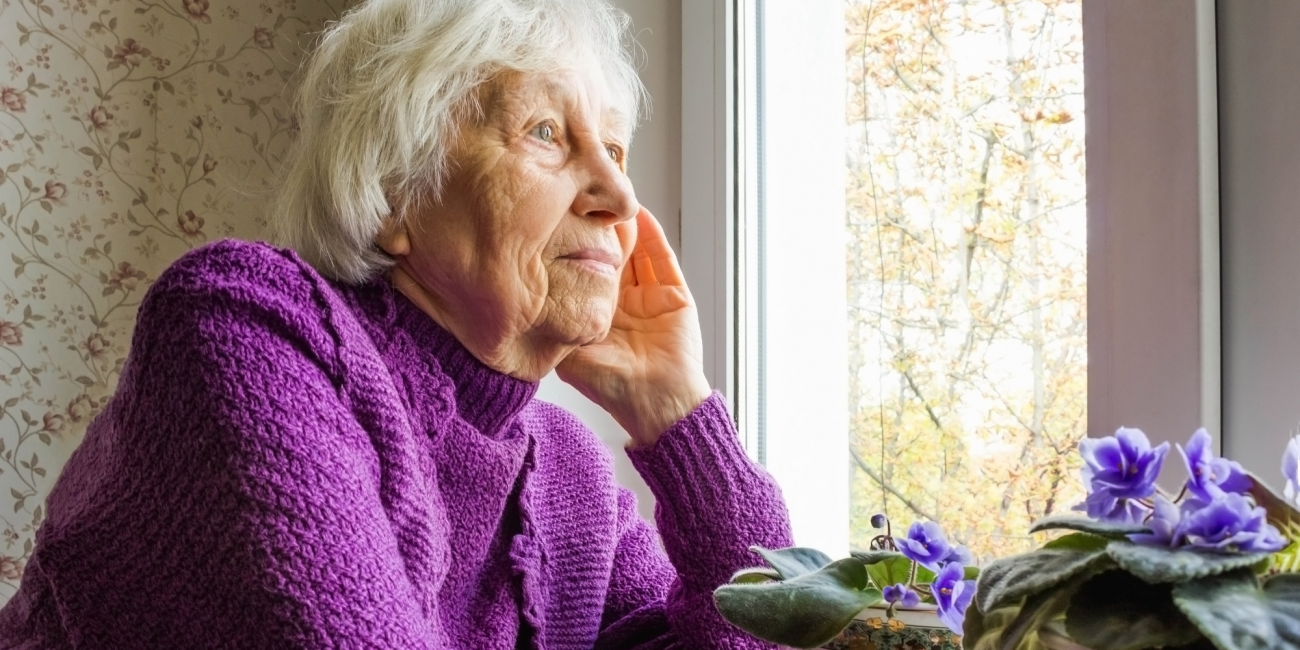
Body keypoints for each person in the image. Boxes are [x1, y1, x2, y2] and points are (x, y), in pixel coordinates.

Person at [0, 0, 793, 647]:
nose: (621, 196)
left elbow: (765, 636)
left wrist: (680, 417)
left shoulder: (568, 475)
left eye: (615, 149)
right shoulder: (245, 330)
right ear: (395, 192)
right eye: (546, 133)